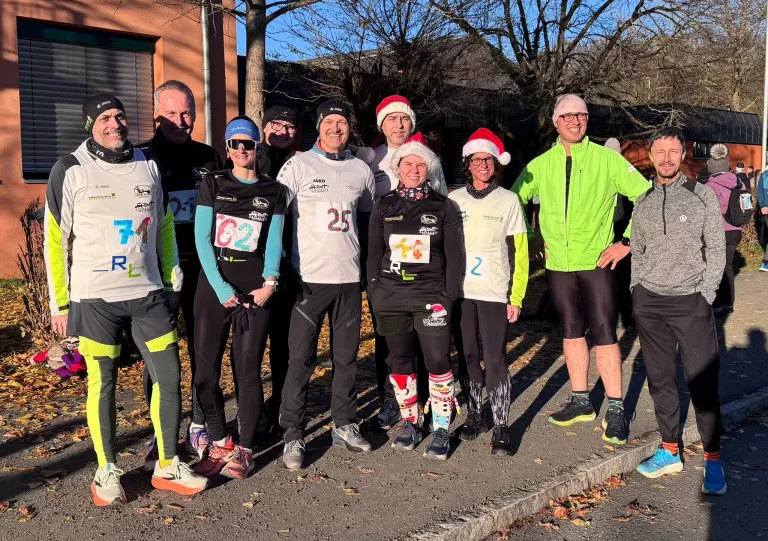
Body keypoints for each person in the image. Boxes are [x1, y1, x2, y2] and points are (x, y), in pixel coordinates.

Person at [43, 93, 208, 506]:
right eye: (104, 117)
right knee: (104, 384)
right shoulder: (70, 169)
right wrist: (59, 305)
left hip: (148, 295)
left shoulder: (148, 164)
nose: (114, 123)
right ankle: (106, 470)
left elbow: (166, 226)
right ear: (90, 125)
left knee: (169, 378)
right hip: (95, 299)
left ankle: (167, 463)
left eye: (119, 115)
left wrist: (172, 280)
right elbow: (54, 242)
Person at [511, 94, 650, 446]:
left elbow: (645, 196)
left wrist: (628, 241)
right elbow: (514, 201)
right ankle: (581, 400)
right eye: (568, 116)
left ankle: (616, 408)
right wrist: (531, 235)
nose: (575, 121)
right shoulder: (540, 165)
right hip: (558, 264)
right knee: (571, 332)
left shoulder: (607, 159)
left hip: (597, 261)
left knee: (605, 332)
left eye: (582, 115)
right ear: (556, 121)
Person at [277, 99, 376, 470]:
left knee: (346, 359)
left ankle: (345, 422)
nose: (336, 129)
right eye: (329, 122)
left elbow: (366, 220)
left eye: (343, 123)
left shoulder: (360, 170)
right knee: (300, 359)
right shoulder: (299, 164)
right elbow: (276, 216)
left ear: (350, 128)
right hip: (309, 281)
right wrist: (280, 266)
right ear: (318, 127)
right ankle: (292, 432)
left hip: (348, 280)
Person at [631, 127, 726, 495]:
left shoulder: (701, 197)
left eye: (673, 151)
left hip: (691, 301)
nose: (667, 158)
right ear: (651, 157)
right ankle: (670, 450)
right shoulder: (643, 201)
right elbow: (637, 249)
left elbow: (716, 251)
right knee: (660, 380)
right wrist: (636, 290)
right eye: (660, 152)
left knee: (702, 383)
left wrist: (706, 293)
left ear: (683, 154)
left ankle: (713, 458)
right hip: (650, 302)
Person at [191, 116, 287, 479]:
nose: (242, 150)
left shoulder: (274, 190)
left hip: (254, 288)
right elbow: (202, 238)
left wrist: (270, 283)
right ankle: (219, 440)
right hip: (214, 285)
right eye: (235, 144)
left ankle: (245, 448)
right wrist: (220, 288)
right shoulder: (213, 182)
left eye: (248, 144)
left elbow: (274, 241)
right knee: (204, 374)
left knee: (246, 371)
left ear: (257, 147)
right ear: (227, 147)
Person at [137, 80, 223, 465]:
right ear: (157, 115)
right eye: (171, 113)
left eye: (186, 112)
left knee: (204, 353)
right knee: (160, 358)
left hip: (203, 271)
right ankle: (161, 433)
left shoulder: (208, 156)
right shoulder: (141, 158)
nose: (180, 120)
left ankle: (200, 426)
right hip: (159, 274)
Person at [367, 136, 464, 459]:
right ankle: (411, 421)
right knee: (400, 361)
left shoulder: (443, 205)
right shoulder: (385, 205)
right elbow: (373, 254)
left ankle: (440, 426)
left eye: (421, 164)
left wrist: (448, 294)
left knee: (437, 360)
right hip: (391, 298)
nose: (414, 169)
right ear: (397, 168)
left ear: (429, 169)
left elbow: (455, 256)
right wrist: (375, 290)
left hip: (432, 296)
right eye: (407, 163)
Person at [369, 96, 446, 430]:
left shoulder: (426, 157)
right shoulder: (368, 158)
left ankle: (430, 399)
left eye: (404, 119)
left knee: (423, 338)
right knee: (388, 339)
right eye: (392, 119)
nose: (399, 125)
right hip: (385, 262)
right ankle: (391, 399)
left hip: (424, 268)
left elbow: (442, 207)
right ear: (381, 125)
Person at [450, 128, 528, 455]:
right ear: (468, 163)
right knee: (468, 356)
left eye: (489, 160)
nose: (483, 165)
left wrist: (517, 296)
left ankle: (501, 425)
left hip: (495, 291)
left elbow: (520, 251)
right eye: (477, 160)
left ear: (496, 164)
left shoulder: (509, 200)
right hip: (462, 292)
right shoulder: (454, 200)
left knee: (494, 358)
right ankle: (475, 413)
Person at [258, 105, 299, 432]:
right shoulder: (247, 158)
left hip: (289, 266)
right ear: (264, 127)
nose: (283, 131)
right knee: (251, 343)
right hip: (251, 264)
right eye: (276, 124)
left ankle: (281, 405)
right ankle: (253, 408)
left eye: (289, 126)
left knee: (283, 342)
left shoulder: (302, 163)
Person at [705, 145, 742, 315]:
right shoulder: (739, 182)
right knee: (727, 267)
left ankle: (717, 303)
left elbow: (706, 211)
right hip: (736, 229)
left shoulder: (710, 186)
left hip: (719, 231)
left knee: (715, 268)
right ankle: (728, 303)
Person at [758, 165, 768, 272]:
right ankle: (765, 263)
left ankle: (765, 262)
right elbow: (760, 191)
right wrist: (763, 205)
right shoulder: (764, 176)